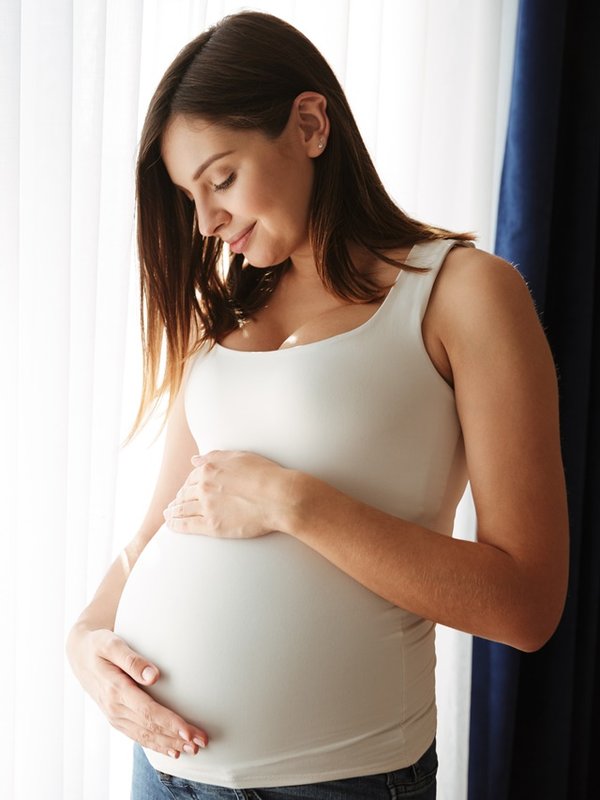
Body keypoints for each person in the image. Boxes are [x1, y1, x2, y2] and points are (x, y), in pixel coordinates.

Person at [66, 11, 569, 800]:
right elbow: (159, 526)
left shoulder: (462, 295)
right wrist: (86, 642)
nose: (206, 224)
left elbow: (527, 604)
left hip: (339, 782)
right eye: (188, 197)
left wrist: (292, 500)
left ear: (308, 124)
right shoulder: (224, 320)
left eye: (221, 178)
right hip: (163, 774)